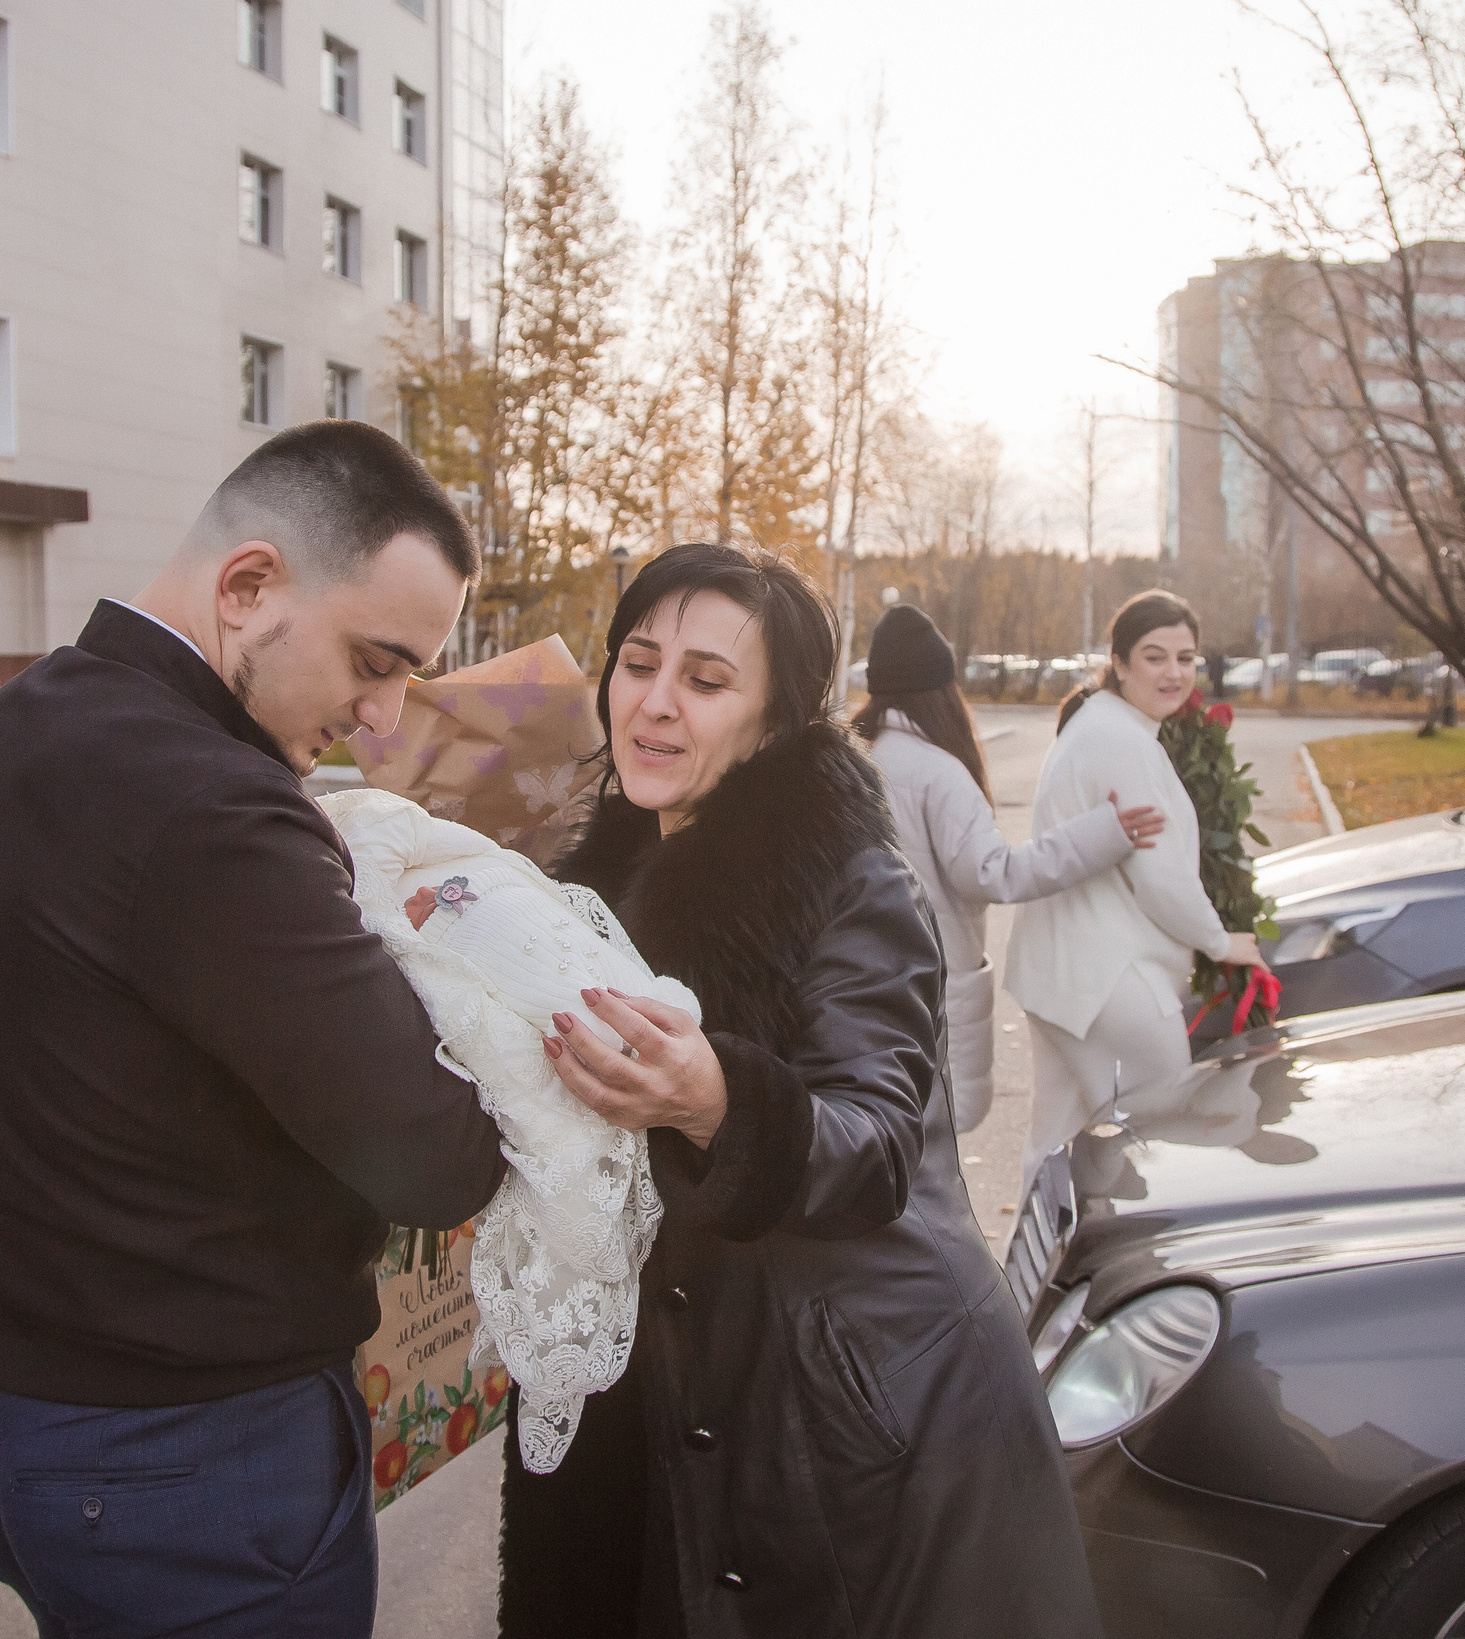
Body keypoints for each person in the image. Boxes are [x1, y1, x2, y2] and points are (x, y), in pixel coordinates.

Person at [0, 420, 509, 1638]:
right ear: (248, 586)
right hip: (198, 1464)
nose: (383, 716)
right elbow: (439, 1153)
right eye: (374, 659)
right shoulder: (210, 809)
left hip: (32, 1424)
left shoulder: (1, 733)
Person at [500, 544, 1104, 1639]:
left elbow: (873, 1142)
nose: (656, 704)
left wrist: (717, 1099)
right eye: (639, 664)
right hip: (661, 1390)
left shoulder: (848, 879)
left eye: (706, 681)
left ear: (775, 726)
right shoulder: (598, 873)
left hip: (847, 1408)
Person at [851, 602, 1163, 1131]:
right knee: (929, 1146)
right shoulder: (937, 771)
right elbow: (996, 873)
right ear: (941, 690)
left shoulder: (854, 759)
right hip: (931, 986)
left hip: (858, 983)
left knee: (875, 1136)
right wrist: (1104, 831)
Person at [1005, 590, 1264, 1192]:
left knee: (1053, 1142)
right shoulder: (1121, 741)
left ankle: (1025, 1279)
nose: (1173, 673)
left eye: (1186, 658)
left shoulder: (1105, 725)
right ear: (1119, 663)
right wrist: (1222, 942)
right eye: (1155, 657)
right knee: (1162, 1135)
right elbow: (1163, 880)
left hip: (1064, 974)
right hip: (1106, 981)